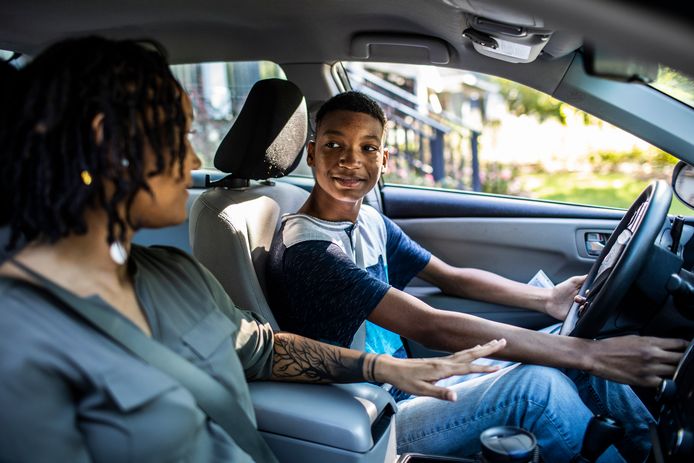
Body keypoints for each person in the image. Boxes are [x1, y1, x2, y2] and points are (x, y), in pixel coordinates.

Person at [0, 37, 510, 463]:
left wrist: (383, 369)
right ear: (109, 142)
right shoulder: (17, 341)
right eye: (179, 136)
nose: (195, 157)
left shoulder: (174, 275)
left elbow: (266, 348)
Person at [267, 91, 689, 462]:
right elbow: (428, 323)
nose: (350, 160)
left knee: (569, 345)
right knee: (538, 386)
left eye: (368, 147)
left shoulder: (371, 221)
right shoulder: (310, 250)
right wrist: (588, 354)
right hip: (371, 411)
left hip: (414, 376)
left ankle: (652, 448)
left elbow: (451, 277)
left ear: (384, 159)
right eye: (333, 145)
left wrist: (544, 300)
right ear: (310, 152)